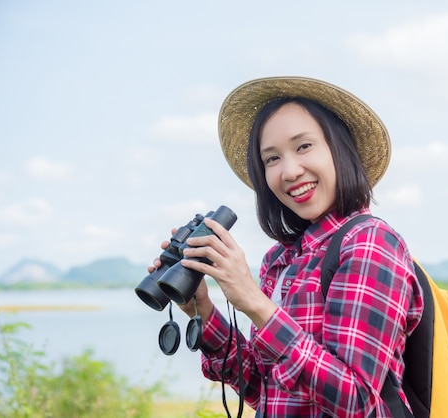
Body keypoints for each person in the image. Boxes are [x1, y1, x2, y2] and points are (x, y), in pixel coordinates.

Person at [149, 76, 424, 417]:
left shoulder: (369, 243)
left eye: (304, 146)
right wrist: (202, 310)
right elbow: (263, 390)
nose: (290, 171)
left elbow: (355, 398)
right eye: (272, 159)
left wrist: (254, 302)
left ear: (340, 149)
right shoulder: (279, 260)